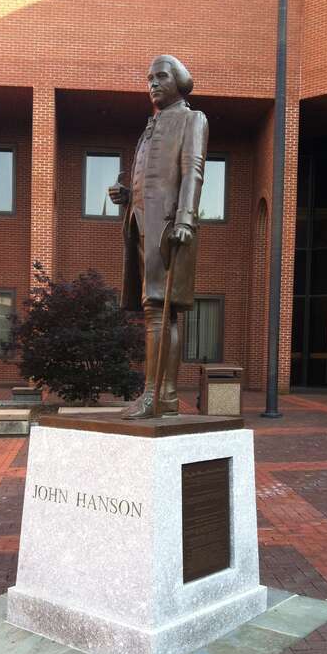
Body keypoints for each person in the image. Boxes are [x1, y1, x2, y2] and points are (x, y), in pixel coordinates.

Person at [109, 54, 208, 419]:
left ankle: (159, 393)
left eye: (160, 76)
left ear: (179, 82)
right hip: (141, 225)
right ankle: (158, 394)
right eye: (149, 77)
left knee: (162, 309)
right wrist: (126, 197)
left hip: (168, 227)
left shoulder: (191, 119)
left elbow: (193, 171)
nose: (152, 83)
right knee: (155, 310)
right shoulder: (149, 127)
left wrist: (185, 219)